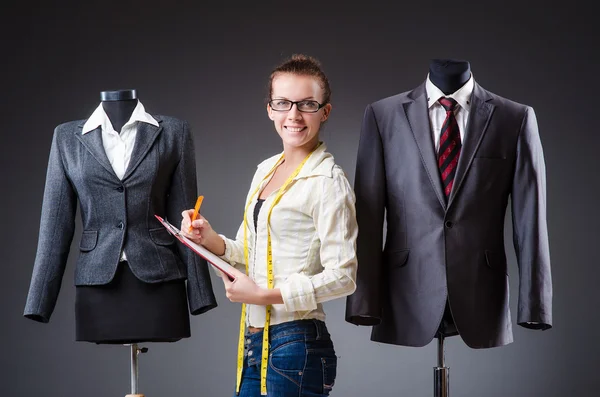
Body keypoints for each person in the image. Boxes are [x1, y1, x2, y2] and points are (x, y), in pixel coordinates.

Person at [181, 54, 358, 396]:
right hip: (254, 338)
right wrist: (209, 237)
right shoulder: (265, 171)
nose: (293, 115)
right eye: (283, 103)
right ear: (270, 109)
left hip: (297, 341)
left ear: (325, 111)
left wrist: (264, 295)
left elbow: (344, 276)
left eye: (306, 103)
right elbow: (249, 253)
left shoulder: (328, 181)